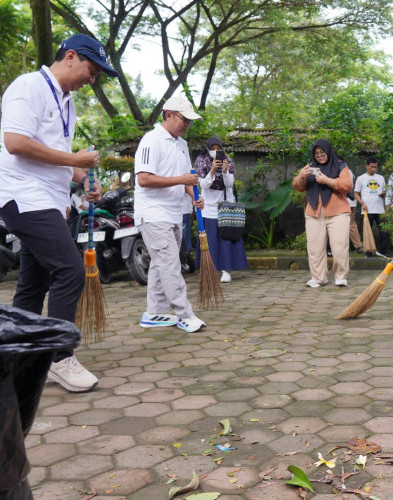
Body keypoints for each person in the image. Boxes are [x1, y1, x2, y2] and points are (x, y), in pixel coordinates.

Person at [0, 34, 119, 392]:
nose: (92, 78)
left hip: (50, 199)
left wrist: (83, 178)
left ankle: (16, 355)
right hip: (22, 195)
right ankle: (58, 356)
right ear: (70, 56)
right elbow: (16, 143)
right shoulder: (28, 87)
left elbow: (53, 155)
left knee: (33, 282)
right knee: (70, 270)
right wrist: (75, 159)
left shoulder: (67, 102)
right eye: (91, 69)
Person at [135, 95, 206, 332]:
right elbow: (144, 179)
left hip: (175, 213)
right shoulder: (151, 140)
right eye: (184, 119)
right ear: (168, 115)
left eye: (190, 121)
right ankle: (184, 314)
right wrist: (182, 180)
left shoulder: (182, 144)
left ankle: (154, 313)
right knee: (170, 264)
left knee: (160, 263)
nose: (187, 124)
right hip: (154, 213)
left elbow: (185, 177)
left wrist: (193, 195)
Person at [292, 139, 353, 287]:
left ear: (328, 151)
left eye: (322, 152)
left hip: (338, 212)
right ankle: (319, 278)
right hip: (314, 212)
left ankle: (340, 276)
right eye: (316, 153)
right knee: (315, 248)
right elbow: (298, 186)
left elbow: (347, 185)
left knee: (339, 247)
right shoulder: (310, 167)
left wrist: (327, 181)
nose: (319, 155)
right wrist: (301, 176)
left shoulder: (340, 166)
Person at [193, 137, 248, 283]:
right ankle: (209, 269)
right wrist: (212, 170)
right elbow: (203, 185)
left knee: (226, 238)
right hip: (209, 206)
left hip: (225, 205)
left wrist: (224, 171)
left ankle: (226, 270)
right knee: (210, 240)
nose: (216, 151)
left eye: (219, 148)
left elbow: (229, 185)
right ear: (208, 148)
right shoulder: (201, 161)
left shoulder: (227, 160)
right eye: (213, 148)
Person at [355, 156, 389, 258]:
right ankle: (368, 253)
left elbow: (385, 192)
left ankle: (382, 251)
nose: (374, 169)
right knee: (367, 232)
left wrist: (383, 195)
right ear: (367, 166)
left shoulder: (381, 178)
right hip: (367, 210)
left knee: (384, 231)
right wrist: (362, 203)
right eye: (372, 167)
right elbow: (356, 193)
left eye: (375, 167)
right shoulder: (361, 178)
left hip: (380, 209)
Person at [347, 168, 364, 254]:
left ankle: (358, 245)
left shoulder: (344, 170)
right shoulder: (349, 171)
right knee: (351, 224)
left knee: (350, 225)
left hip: (347, 202)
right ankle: (358, 245)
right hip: (350, 202)